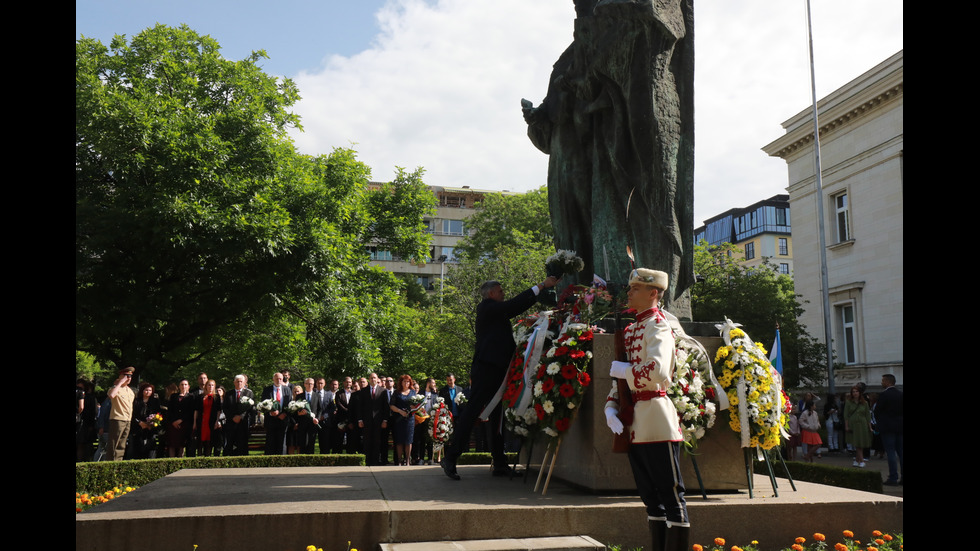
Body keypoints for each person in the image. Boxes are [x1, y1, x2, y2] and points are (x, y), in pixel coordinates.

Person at [603, 268, 689, 551]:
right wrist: (611, 407)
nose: (629, 292)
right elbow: (623, 381)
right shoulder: (632, 329)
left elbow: (658, 371)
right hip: (635, 422)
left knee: (671, 494)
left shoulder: (659, 325)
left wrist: (626, 370)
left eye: (635, 288)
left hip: (656, 418)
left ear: (653, 293)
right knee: (649, 495)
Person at [442, 275, 558, 480]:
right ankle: (450, 457)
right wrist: (541, 286)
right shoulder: (487, 307)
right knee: (473, 411)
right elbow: (513, 305)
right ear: (491, 293)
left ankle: (499, 462)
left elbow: (512, 310)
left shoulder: (495, 311)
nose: (504, 294)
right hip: (487, 369)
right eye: (501, 291)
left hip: (498, 369)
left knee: (497, 417)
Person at [876, 374, 903, 485]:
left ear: (888, 382)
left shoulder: (884, 395)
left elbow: (877, 411)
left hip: (887, 427)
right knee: (901, 452)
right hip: (900, 426)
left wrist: (880, 422)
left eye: (883, 381)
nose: (881, 383)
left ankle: (893, 477)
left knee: (890, 452)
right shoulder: (901, 394)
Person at [357, 373, 390, 466]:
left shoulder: (383, 391)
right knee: (367, 441)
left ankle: (375, 461)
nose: (373, 379)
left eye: (374, 378)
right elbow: (360, 407)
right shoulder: (363, 391)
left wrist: (385, 420)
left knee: (377, 441)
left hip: (378, 421)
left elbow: (386, 407)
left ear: (377, 379)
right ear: (369, 379)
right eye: (371, 378)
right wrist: (360, 420)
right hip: (366, 420)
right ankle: (367, 460)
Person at [106, 367, 136, 461]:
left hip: (127, 419)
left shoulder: (130, 391)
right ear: (121, 376)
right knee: (114, 444)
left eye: (130, 376)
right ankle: (110, 464)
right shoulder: (115, 388)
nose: (129, 378)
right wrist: (119, 383)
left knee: (122, 444)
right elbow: (111, 395)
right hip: (117, 419)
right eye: (126, 376)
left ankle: (118, 462)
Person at [223, 375, 255, 456]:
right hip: (231, 423)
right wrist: (232, 417)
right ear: (234, 382)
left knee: (242, 444)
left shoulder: (249, 393)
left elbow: (251, 408)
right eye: (237, 381)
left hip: (243, 423)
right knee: (230, 443)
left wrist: (241, 416)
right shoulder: (229, 394)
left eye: (241, 381)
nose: (239, 383)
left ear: (244, 382)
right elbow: (225, 408)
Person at [389, 375, 417, 466]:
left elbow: (417, 405)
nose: (406, 383)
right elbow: (391, 405)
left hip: (410, 420)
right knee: (399, 441)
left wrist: (414, 408)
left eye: (408, 382)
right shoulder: (396, 393)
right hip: (399, 419)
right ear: (401, 382)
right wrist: (400, 411)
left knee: (408, 441)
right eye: (404, 381)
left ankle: (408, 461)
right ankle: (399, 461)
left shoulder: (413, 392)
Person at [261, 372, 291, 455]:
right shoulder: (267, 390)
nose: (279, 380)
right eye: (277, 378)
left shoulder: (287, 390)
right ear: (273, 379)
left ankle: (281, 463)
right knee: (270, 443)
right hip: (271, 420)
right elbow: (262, 405)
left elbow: (290, 404)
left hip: (283, 420)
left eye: (280, 379)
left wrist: (284, 414)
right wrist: (270, 412)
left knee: (282, 443)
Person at [129, 382, 162, 459]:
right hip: (138, 427)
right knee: (137, 447)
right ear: (142, 391)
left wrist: (152, 423)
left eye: (150, 390)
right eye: (146, 390)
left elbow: (158, 414)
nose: (148, 392)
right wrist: (139, 423)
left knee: (150, 448)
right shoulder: (136, 401)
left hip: (151, 428)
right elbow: (133, 414)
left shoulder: (155, 401)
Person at [165, 379, 195, 457]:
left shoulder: (191, 397)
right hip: (173, 423)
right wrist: (173, 421)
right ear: (179, 386)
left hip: (184, 423)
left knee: (182, 443)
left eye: (185, 385)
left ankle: (180, 460)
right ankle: (171, 460)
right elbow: (170, 409)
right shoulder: (173, 396)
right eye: (182, 384)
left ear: (188, 386)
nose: (183, 386)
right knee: (172, 443)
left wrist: (181, 420)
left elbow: (191, 411)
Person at [844, 386, 872, 467]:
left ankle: (857, 460)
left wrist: (869, 427)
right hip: (853, 424)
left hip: (862, 424)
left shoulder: (865, 403)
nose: (855, 393)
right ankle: (862, 460)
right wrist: (846, 426)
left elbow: (868, 415)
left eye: (856, 391)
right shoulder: (849, 402)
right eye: (853, 392)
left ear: (860, 393)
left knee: (861, 442)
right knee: (857, 443)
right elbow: (846, 415)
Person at [193, 380, 222, 456]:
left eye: (212, 385)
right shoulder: (200, 397)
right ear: (206, 386)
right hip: (202, 421)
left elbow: (219, 411)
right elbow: (196, 410)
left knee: (210, 440)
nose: (211, 387)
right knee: (200, 440)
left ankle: (208, 457)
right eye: (209, 385)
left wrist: (217, 421)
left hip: (211, 421)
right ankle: (199, 457)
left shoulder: (216, 397)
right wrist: (194, 423)